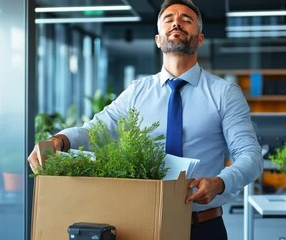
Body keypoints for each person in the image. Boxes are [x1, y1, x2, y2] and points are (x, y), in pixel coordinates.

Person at [28, 0, 263, 239]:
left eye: (186, 19)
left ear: (199, 39)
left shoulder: (224, 93)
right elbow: (96, 129)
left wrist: (220, 182)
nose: (177, 23)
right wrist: (60, 140)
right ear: (158, 39)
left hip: (202, 227)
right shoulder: (137, 92)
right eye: (169, 19)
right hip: (142, 224)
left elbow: (250, 156)